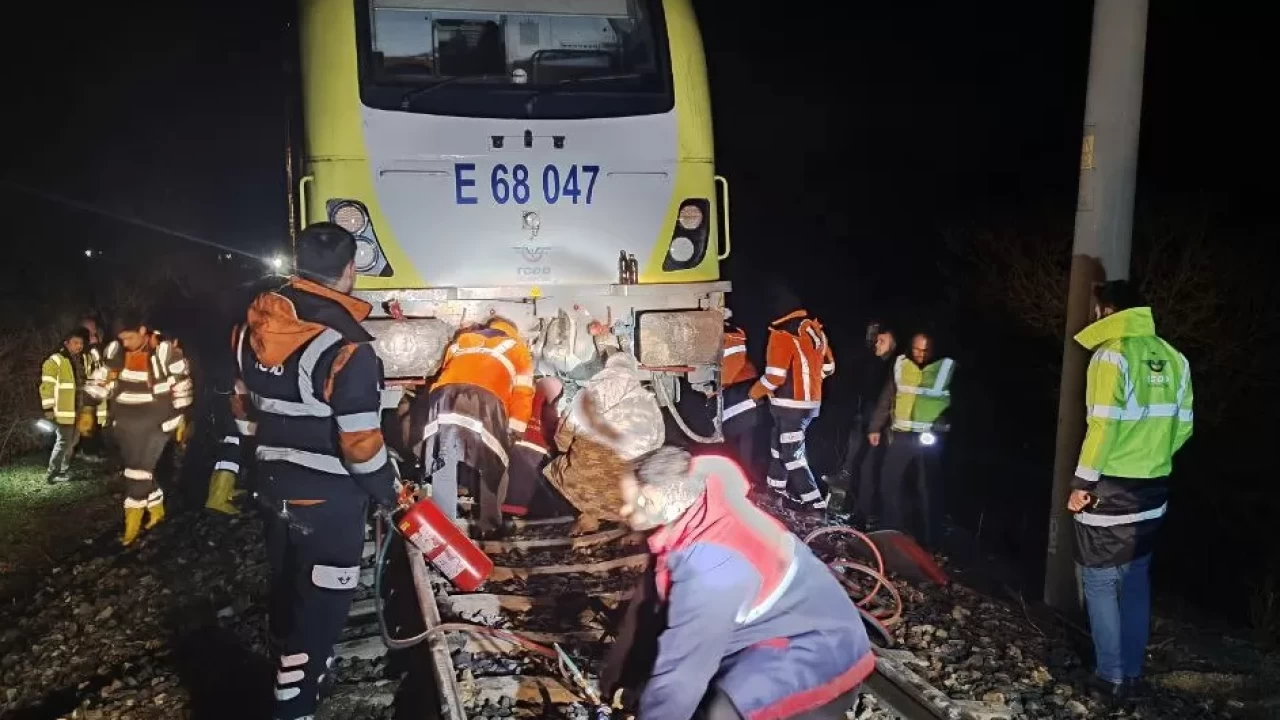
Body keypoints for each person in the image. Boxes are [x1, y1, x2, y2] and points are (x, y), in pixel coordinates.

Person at [229, 222, 396, 720]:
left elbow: (241, 409)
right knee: (320, 613)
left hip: (272, 487)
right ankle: (294, 706)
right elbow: (360, 443)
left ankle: (304, 681)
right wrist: (387, 490)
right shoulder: (348, 346)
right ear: (350, 272)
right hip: (328, 502)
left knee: (287, 591)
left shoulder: (250, 328)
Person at [608, 447, 875, 720]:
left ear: (653, 500)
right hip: (789, 630)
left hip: (824, 659)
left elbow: (684, 671)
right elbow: (658, 615)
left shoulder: (712, 565)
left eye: (630, 502)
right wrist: (626, 685)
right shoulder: (705, 506)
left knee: (720, 709)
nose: (623, 510)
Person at [1067, 280, 1192, 697]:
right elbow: (1184, 426)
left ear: (1107, 311)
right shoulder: (1176, 358)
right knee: (1137, 579)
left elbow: (1101, 426)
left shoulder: (1110, 355)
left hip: (1110, 488)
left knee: (1100, 581)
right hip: (1154, 487)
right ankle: (1133, 673)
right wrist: (1152, 459)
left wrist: (1082, 482)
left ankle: (1110, 675)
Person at [417, 316, 535, 536]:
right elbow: (523, 392)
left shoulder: (463, 339)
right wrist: (516, 427)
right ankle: (490, 525)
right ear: (513, 332)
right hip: (485, 401)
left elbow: (448, 370)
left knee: (444, 456)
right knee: (494, 460)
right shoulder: (518, 348)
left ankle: (445, 526)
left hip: (444, 397)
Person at [87, 312, 194, 545]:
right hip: (124, 424)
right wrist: (87, 407)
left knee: (138, 472)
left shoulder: (166, 352)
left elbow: (182, 384)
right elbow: (102, 378)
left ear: (143, 331)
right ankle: (156, 512)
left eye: (130, 338)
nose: (126, 343)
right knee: (139, 470)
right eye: (122, 338)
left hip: (156, 424)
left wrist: (183, 416)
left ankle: (132, 525)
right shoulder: (116, 352)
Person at [543, 351, 665, 534]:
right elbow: (656, 451)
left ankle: (590, 512)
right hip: (625, 504)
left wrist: (568, 449)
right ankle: (593, 513)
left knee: (564, 460)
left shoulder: (592, 395)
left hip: (579, 489)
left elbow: (563, 436)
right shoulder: (650, 406)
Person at [749, 291, 835, 511]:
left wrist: (753, 394)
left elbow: (775, 377)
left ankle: (815, 505)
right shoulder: (816, 331)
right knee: (779, 446)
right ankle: (775, 491)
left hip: (789, 406)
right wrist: (811, 384)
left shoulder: (781, 334)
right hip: (809, 405)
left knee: (791, 456)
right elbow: (828, 367)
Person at [868, 331, 954, 549]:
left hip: (930, 438)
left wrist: (945, 423)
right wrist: (875, 427)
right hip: (902, 434)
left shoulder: (945, 367)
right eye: (916, 349)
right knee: (889, 481)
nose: (920, 354)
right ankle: (892, 531)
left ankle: (930, 541)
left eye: (925, 350)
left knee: (928, 489)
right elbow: (887, 397)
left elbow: (954, 402)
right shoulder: (900, 364)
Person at [835, 322, 897, 522]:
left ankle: (867, 515)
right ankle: (858, 511)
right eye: (875, 340)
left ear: (893, 343)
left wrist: (878, 426)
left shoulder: (895, 366)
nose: (876, 344)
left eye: (881, 341)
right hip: (867, 422)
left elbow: (885, 400)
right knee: (862, 465)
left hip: (882, 428)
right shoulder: (874, 363)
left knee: (870, 468)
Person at [40, 328, 90, 484]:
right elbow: (46, 386)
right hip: (63, 412)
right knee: (63, 442)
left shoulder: (78, 360)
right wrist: (48, 408)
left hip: (77, 410)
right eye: (75, 343)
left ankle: (62, 470)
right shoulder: (55, 360)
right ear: (66, 343)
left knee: (73, 442)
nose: (79, 346)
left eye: (81, 343)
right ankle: (52, 474)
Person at [718, 309, 764, 477]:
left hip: (742, 393)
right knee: (744, 439)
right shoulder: (731, 334)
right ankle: (742, 472)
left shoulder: (730, 336)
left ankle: (741, 474)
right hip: (745, 393)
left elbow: (728, 371)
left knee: (729, 433)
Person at [76, 315, 109, 461]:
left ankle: (95, 449)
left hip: (99, 393)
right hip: (87, 394)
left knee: (97, 423)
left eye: (94, 331)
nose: (93, 334)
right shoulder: (81, 349)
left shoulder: (97, 348)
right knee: (86, 424)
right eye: (90, 331)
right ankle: (87, 451)